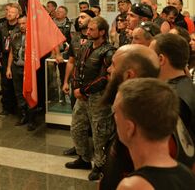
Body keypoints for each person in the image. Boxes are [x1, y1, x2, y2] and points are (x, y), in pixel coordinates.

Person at [113, 78, 195, 190]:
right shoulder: (187, 175)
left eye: (116, 113)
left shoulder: (133, 186)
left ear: (129, 128)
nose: (114, 118)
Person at [99, 45, 161, 190]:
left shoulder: (146, 123)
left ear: (129, 75)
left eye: (113, 65)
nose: (109, 70)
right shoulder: (129, 110)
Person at [65, 16, 115, 181]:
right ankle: (84, 158)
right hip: (82, 94)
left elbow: (105, 78)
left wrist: (84, 90)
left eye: (92, 29)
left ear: (102, 32)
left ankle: (100, 165)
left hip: (98, 97)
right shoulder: (85, 46)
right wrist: (75, 87)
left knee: (100, 132)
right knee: (77, 127)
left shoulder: (109, 51)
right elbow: (77, 67)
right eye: (88, 29)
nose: (87, 32)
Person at [6, 16, 38, 130]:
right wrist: (9, 68)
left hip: (28, 69)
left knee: (29, 93)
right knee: (19, 93)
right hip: (16, 67)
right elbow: (11, 52)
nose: (22, 26)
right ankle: (23, 116)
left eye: (24, 23)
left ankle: (32, 119)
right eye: (20, 24)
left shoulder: (34, 36)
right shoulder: (15, 35)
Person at [0, 3, 21, 117]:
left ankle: (17, 108)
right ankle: (6, 107)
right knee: (5, 83)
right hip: (4, 57)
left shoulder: (20, 27)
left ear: (18, 15)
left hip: (16, 57)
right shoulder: (3, 25)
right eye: (8, 12)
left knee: (16, 84)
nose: (9, 13)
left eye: (12, 12)